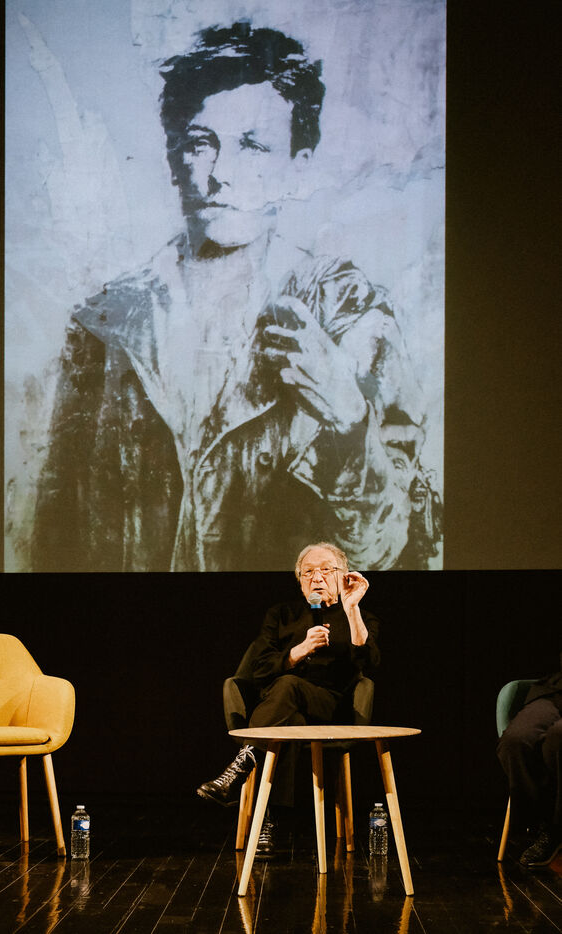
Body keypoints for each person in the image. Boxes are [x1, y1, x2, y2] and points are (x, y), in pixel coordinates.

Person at [31, 22, 441, 572]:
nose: (220, 175)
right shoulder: (104, 323)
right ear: (174, 160)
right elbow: (54, 539)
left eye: (252, 145)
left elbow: (395, 551)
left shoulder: (347, 312)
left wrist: (347, 417)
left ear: (298, 170)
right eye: (202, 144)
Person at [196, 541, 380, 856]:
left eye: (326, 570)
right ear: (299, 580)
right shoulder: (282, 614)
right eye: (308, 572)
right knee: (287, 712)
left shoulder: (358, 615)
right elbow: (257, 670)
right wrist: (299, 651)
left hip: (330, 706)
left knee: (289, 687)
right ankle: (269, 822)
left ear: (343, 574)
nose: (317, 577)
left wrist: (351, 608)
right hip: (280, 708)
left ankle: (239, 770)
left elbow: (370, 662)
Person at [497, 660, 562, 867]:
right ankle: (543, 824)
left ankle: (556, 828)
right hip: (557, 690)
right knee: (516, 741)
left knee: (557, 738)